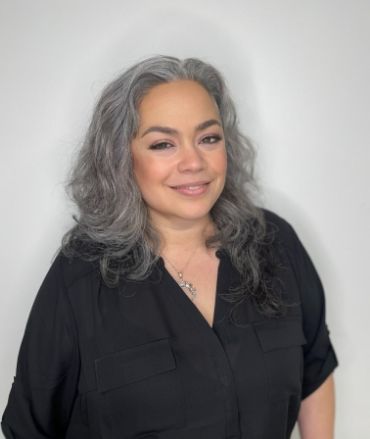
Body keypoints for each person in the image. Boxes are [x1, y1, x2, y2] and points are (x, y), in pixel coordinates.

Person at [1, 55, 338, 439]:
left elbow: (315, 368)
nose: (194, 162)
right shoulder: (79, 277)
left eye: (208, 138)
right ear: (121, 158)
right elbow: (29, 428)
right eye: (163, 144)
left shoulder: (275, 243)